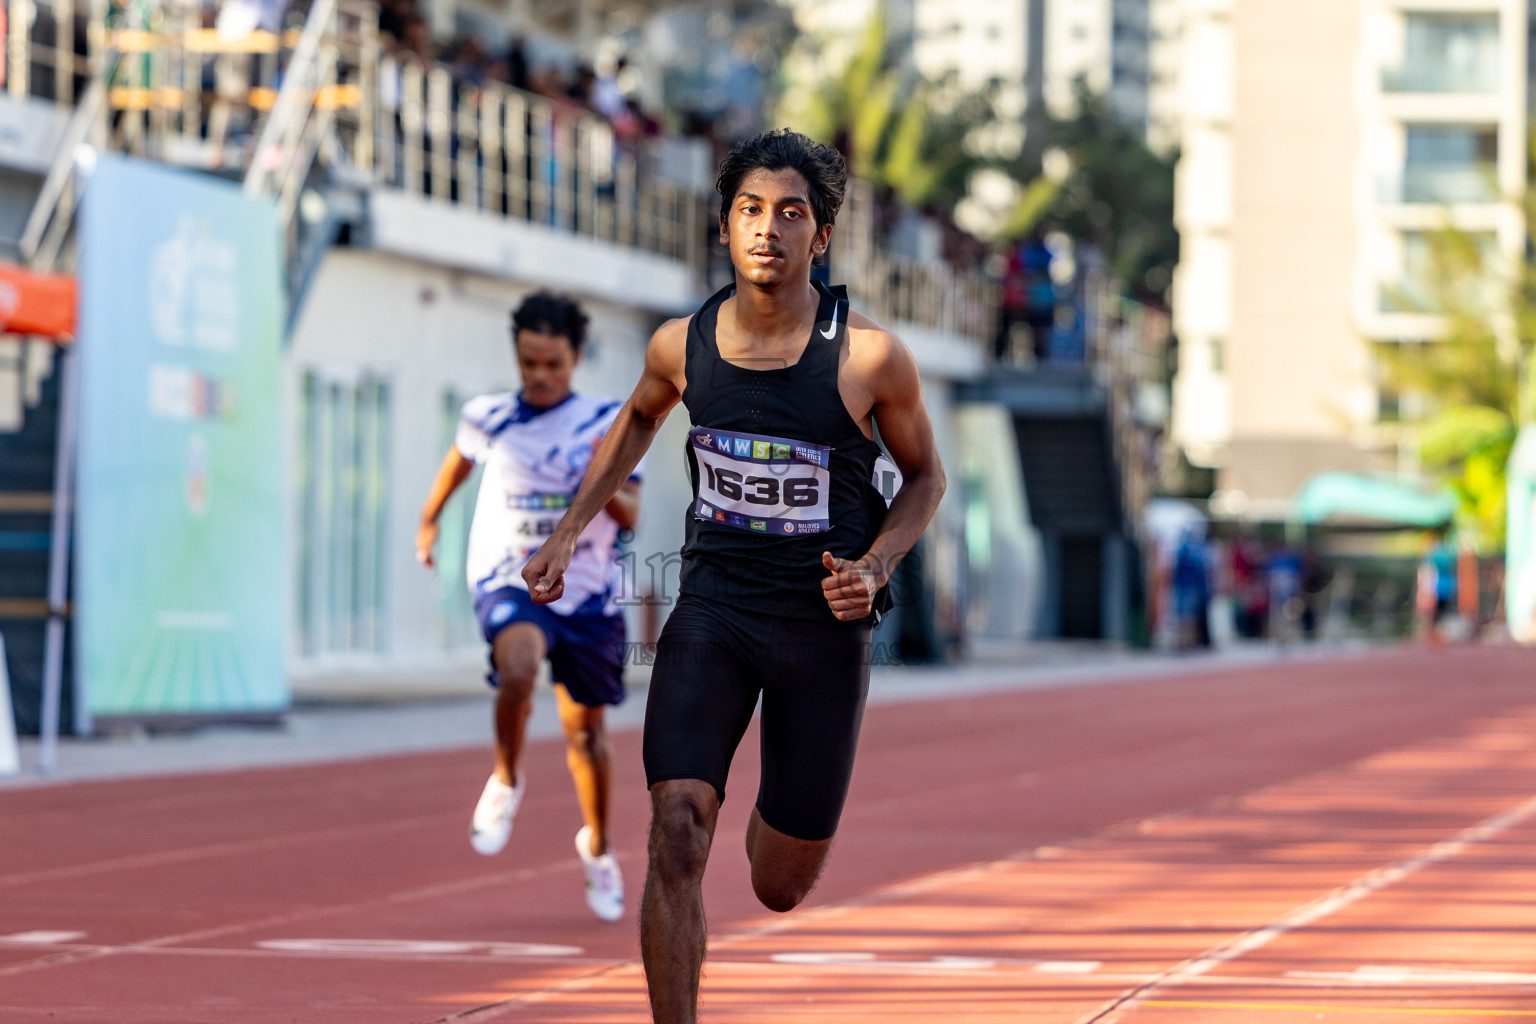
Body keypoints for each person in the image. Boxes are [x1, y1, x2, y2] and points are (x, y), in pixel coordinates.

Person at [521, 129, 945, 1022]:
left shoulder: (869, 359)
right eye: (751, 210)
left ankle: (768, 807)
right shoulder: (682, 344)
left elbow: (925, 478)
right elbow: (636, 422)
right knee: (676, 828)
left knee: (778, 885)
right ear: (725, 227)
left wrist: (874, 567)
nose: (768, 230)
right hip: (713, 609)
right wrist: (568, 532)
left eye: (791, 214)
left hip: (820, 632)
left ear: (819, 238)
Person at [415, 291, 639, 923]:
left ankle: (597, 846)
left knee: (585, 732)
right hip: (508, 575)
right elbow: (455, 469)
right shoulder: (488, 417)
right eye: (529, 364)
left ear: (576, 358)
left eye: (553, 365)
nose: (540, 377)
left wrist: (597, 475)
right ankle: (506, 780)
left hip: (587, 589)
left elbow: (633, 512)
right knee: (518, 666)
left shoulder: (605, 421)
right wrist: (429, 523)